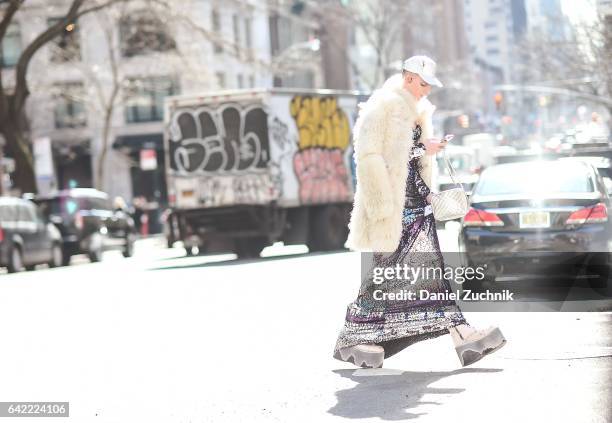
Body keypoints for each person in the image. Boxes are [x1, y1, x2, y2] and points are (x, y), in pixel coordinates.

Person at [333, 55, 506, 369]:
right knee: (383, 275)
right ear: (408, 78)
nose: (427, 90)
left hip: (418, 204)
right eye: (423, 83)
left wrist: (429, 150)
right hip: (393, 207)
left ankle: (461, 333)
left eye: (430, 85)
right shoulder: (382, 107)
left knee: (430, 272)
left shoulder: (418, 112)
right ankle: (354, 336)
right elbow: (369, 157)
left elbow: (411, 160)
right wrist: (418, 151)